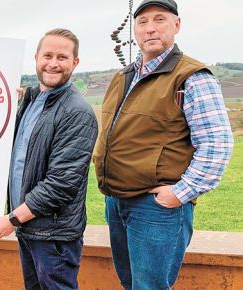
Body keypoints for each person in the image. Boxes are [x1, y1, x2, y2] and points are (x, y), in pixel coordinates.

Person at [92, 0, 234, 289]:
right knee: (131, 283)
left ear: (177, 25)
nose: (150, 28)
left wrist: (180, 193)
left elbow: (217, 144)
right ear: (135, 30)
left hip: (156, 207)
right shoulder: (124, 76)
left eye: (160, 20)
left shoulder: (192, 76)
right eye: (143, 22)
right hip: (117, 200)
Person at [0, 28, 98, 290]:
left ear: (75, 63)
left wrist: (12, 219)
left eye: (62, 57)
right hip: (30, 228)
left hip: (53, 235)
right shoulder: (32, 100)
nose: (53, 63)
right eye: (47, 55)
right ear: (36, 57)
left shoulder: (77, 113)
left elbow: (60, 185)